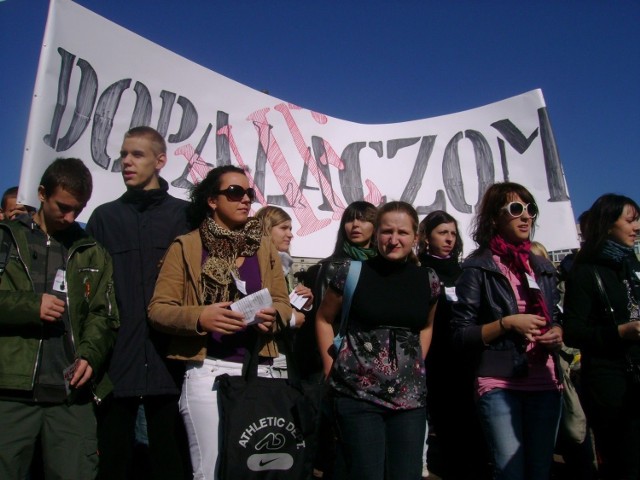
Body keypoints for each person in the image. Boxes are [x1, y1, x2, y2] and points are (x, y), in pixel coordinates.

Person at [147, 165, 291, 479]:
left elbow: (283, 302)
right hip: (207, 370)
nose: (245, 200)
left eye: (249, 193)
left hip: (258, 370)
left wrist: (275, 317)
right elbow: (158, 309)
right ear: (212, 200)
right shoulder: (186, 247)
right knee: (211, 470)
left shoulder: (263, 247)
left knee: (255, 468)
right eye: (235, 192)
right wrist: (201, 316)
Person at [0, 158, 119, 479]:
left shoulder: (92, 250)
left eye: (78, 210)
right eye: (63, 207)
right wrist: (29, 306)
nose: (70, 217)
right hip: (10, 392)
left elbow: (104, 316)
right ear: (41, 193)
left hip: (71, 396)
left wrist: (91, 356)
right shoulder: (6, 239)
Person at [86, 126, 192, 479]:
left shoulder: (186, 217)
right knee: (114, 461)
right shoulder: (104, 218)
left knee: (171, 459)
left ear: (161, 161)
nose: (126, 162)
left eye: (137, 154)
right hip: (118, 360)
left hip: (172, 360)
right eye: (123, 155)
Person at [316, 201, 440, 480]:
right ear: (376, 234)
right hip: (356, 395)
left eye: (403, 233)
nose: (394, 240)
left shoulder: (428, 279)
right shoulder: (350, 272)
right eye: (387, 231)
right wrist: (329, 368)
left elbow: (427, 326)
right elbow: (324, 319)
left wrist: (417, 364)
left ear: (415, 237)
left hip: (410, 399)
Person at [451, 182, 563, 480]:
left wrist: (557, 332)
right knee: (510, 471)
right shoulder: (478, 268)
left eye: (531, 210)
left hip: (545, 379)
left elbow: (556, 318)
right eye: (516, 209)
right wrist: (507, 323)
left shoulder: (542, 267)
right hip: (499, 379)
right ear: (494, 219)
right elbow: (460, 334)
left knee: (540, 470)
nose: (526, 217)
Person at [564, 193, 640, 479]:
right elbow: (573, 331)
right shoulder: (586, 271)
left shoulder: (632, 264)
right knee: (626, 461)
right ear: (608, 224)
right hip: (612, 385)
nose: (637, 227)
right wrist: (621, 332)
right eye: (630, 220)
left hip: (637, 379)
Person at [300, 201, 377, 479]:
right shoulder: (331, 267)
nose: (356, 226)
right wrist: (328, 363)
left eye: (364, 220)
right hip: (338, 359)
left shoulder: (385, 267)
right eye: (350, 220)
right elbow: (324, 320)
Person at [419, 210, 490, 480]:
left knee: (471, 416)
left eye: (452, 233)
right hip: (436, 356)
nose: (449, 238)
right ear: (427, 237)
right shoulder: (420, 269)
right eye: (442, 233)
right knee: (446, 417)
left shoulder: (465, 271)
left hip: (466, 354)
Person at [255, 205, 313, 377]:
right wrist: (292, 319)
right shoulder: (257, 262)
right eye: (283, 228)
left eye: (290, 229)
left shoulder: (284, 262)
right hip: (263, 353)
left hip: (282, 349)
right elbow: (258, 306)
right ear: (266, 228)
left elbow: (282, 302)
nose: (290, 234)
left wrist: (304, 302)